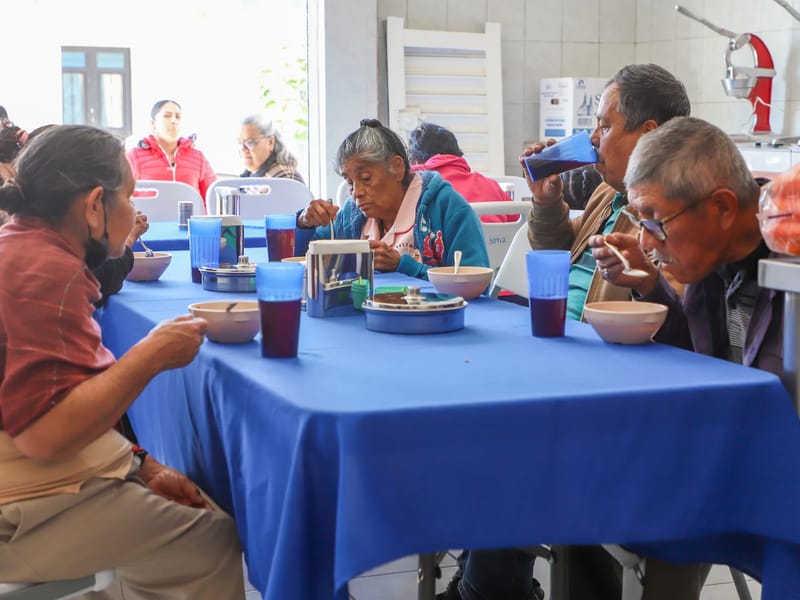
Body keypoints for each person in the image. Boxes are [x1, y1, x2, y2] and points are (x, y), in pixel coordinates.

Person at [441, 63, 693, 600]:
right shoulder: (609, 195)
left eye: (604, 125)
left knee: (505, 437)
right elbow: (559, 252)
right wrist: (547, 199)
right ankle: (482, 582)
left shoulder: (668, 217)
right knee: (465, 407)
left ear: (648, 134)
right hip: (561, 358)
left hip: (601, 391)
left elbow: (674, 326)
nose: (593, 138)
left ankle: (486, 589)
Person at [0, 125, 245, 598]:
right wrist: (151, 355)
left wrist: (140, 464)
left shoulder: (20, 245)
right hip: (14, 507)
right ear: (95, 205)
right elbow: (45, 434)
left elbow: (54, 397)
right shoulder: (48, 272)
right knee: (205, 538)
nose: (133, 211)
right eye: (129, 197)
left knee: (172, 523)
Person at [592, 116, 780, 371]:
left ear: (722, 207)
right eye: (641, 222)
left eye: (657, 221)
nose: (645, 240)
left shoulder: (790, 261)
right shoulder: (709, 253)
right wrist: (648, 282)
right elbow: (693, 353)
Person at [297, 118, 489, 279]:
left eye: (366, 178)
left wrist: (402, 266)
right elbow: (300, 260)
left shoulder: (447, 208)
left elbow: (475, 282)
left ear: (397, 168)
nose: (356, 192)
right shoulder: (352, 215)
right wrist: (304, 224)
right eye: (350, 182)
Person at [407, 121, 513, 223]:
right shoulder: (492, 186)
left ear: (415, 161)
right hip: (497, 236)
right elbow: (519, 225)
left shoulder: (415, 190)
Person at [126, 99, 216, 209]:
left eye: (178, 117)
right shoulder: (134, 156)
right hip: (150, 219)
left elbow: (213, 198)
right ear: (153, 123)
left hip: (189, 219)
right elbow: (122, 198)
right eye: (167, 116)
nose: (174, 121)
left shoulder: (198, 157)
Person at [238, 113, 305, 183]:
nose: (243, 149)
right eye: (240, 142)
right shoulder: (251, 177)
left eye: (250, 142)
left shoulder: (284, 177)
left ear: (270, 142)